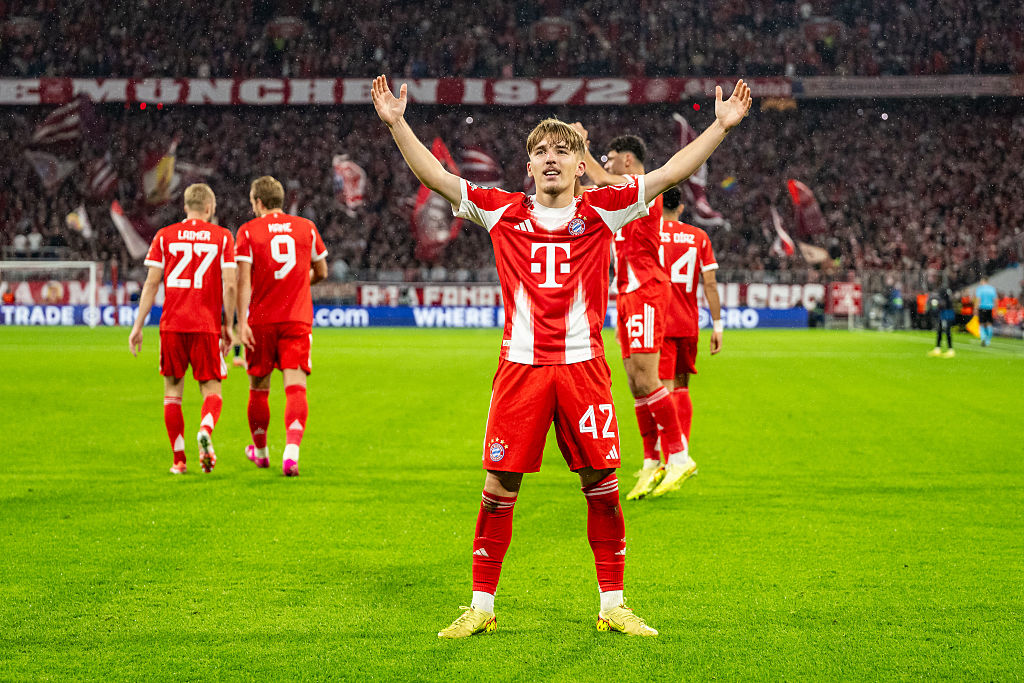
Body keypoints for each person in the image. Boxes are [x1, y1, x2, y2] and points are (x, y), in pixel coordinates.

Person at [370, 74, 751, 638]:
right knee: (499, 485)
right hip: (520, 370)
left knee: (602, 482)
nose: (552, 159)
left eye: (563, 150)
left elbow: (672, 172)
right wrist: (398, 123)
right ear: (529, 168)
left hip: (583, 370)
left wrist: (719, 127)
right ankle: (480, 605)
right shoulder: (502, 210)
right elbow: (438, 177)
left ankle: (614, 604)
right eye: (541, 152)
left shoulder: (607, 209)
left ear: (581, 164)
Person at [569, 128, 696, 500]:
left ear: (627, 160)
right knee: (636, 383)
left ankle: (680, 456)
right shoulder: (613, 192)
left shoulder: (643, 186)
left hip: (645, 290)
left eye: (610, 159)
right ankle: (650, 461)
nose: (605, 166)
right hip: (624, 294)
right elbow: (584, 191)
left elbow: (601, 177)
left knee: (649, 377)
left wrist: (582, 150)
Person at [129, 183, 236, 474]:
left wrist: (138, 326)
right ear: (210, 208)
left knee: (173, 393)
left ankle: (179, 460)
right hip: (205, 325)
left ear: (185, 206)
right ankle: (205, 428)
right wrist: (229, 324)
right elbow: (229, 284)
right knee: (212, 390)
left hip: (172, 325)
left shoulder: (165, 236)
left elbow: (151, 284)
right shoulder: (223, 237)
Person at [235, 175, 329, 477]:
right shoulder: (306, 228)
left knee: (258, 388)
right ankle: (291, 452)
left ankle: (261, 452)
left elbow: (243, 282)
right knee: (295, 387)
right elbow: (322, 271)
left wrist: (240, 322)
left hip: (261, 320)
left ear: (259, 202)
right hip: (296, 318)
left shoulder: (249, 231)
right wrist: (299, 285)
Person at [636, 186, 722, 499]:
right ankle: (680, 450)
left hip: (658, 319)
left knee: (660, 390)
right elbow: (709, 283)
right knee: (682, 387)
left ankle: (670, 457)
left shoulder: (648, 232)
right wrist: (719, 324)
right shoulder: (698, 236)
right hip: (689, 322)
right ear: (682, 207)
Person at [927, 283, 956, 358]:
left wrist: (936, 304)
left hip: (946, 315)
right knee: (940, 331)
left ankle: (950, 350)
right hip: (946, 314)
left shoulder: (944, 297)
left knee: (947, 332)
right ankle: (938, 349)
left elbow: (943, 305)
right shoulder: (948, 296)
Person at [974, 276, 997, 346]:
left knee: (982, 323)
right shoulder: (992, 289)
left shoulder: (980, 289)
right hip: (990, 308)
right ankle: (988, 340)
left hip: (982, 308)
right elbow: (995, 300)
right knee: (989, 323)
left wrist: (975, 308)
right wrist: (996, 309)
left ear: (983, 281)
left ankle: (983, 338)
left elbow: (978, 299)